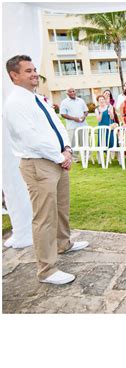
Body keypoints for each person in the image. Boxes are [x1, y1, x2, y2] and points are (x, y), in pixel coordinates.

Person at [4, 55, 89, 285]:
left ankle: (64, 244)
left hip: (57, 159)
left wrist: (67, 149)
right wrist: (59, 156)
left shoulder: (37, 99)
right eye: (28, 71)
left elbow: (57, 125)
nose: (34, 74)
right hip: (38, 164)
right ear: (14, 75)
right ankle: (47, 270)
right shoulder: (14, 104)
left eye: (34, 70)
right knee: (44, 217)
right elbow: (30, 139)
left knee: (61, 208)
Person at [60, 87, 88, 161]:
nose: (72, 93)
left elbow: (86, 111)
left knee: (84, 141)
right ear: (67, 93)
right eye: (70, 91)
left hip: (83, 125)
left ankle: (86, 157)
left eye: (73, 91)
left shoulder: (81, 100)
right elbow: (63, 114)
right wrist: (74, 118)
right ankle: (75, 158)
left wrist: (84, 117)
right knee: (73, 143)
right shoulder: (64, 102)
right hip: (72, 126)